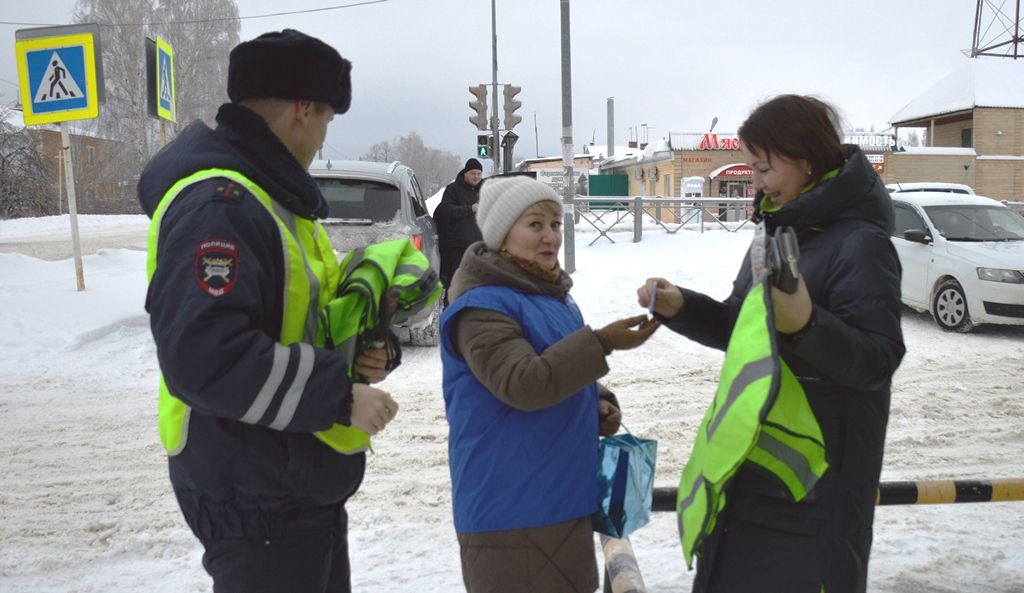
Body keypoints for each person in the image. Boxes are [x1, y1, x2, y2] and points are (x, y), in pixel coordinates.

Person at [137, 29, 399, 593]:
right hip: (256, 502)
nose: (325, 135)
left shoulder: (274, 199)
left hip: (290, 492)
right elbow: (205, 358)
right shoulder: (221, 205)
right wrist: (338, 396)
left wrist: (364, 352)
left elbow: (299, 320)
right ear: (304, 109)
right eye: (328, 117)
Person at [638, 95, 905, 593]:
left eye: (764, 167)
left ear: (805, 160)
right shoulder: (778, 232)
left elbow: (877, 361)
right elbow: (747, 331)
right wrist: (684, 307)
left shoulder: (860, 244)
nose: (755, 181)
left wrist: (805, 324)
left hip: (816, 489)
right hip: (752, 466)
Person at [440, 175, 659, 593]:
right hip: (512, 508)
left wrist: (598, 401)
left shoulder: (549, 296)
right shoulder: (481, 305)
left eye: (556, 224)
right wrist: (603, 341)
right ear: (502, 235)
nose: (550, 237)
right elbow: (524, 382)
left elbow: (559, 366)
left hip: (562, 496)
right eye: (535, 224)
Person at [434, 158, 484, 302]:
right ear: (465, 173)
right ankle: (451, 311)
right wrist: (469, 209)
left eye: (479, 174)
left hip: (479, 248)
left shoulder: (485, 189)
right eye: (473, 173)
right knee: (456, 283)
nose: (476, 176)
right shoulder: (453, 189)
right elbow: (445, 211)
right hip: (457, 248)